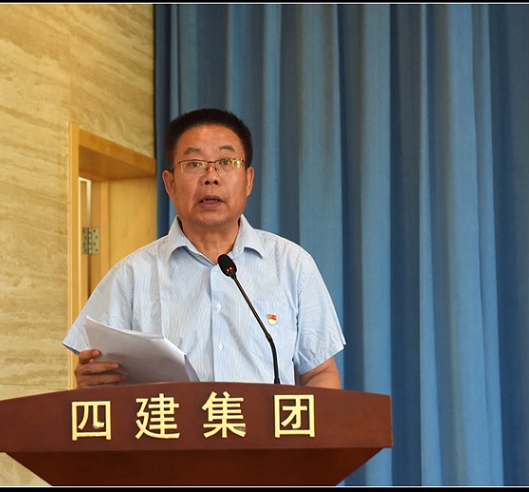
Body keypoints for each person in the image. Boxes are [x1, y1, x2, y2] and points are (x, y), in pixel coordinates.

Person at [63, 108, 345, 389]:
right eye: (194, 163)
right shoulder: (131, 276)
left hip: (266, 422)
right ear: (170, 183)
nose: (211, 176)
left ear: (248, 180)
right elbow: (97, 373)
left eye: (226, 161)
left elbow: (320, 373)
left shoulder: (292, 265)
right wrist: (92, 382)